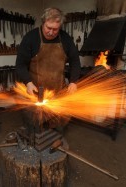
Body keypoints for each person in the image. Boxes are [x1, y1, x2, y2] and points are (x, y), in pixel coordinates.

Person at [15, 7, 81, 137]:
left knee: (58, 128)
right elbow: (20, 65)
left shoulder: (66, 39)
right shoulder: (30, 38)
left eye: (55, 29)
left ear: (60, 27)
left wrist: (73, 82)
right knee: (35, 128)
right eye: (48, 28)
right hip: (35, 92)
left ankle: (55, 143)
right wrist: (28, 82)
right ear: (43, 22)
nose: (51, 32)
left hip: (58, 91)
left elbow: (75, 62)